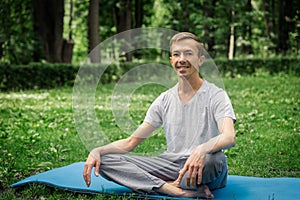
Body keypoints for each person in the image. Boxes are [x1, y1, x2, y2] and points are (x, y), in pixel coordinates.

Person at [83, 32, 236, 198]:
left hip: (206, 163)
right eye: (176, 54)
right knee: (105, 161)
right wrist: (97, 150)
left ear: (200, 60)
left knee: (212, 160)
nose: (181, 59)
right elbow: (131, 142)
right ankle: (172, 189)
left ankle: (172, 183)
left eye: (189, 54)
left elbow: (229, 137)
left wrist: (202, 149)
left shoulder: (216, 95)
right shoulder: (164, 100)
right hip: (171, 164)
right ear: (171, 61)